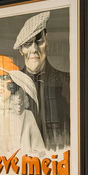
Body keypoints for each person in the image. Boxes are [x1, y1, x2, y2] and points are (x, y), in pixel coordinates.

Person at [12, 11, 71, 153]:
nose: (34, 49)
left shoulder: (67, 81)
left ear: (47, 41)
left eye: (39, 41)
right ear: (21, 50)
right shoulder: (11, 86)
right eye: (27, 43)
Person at [0, 54, 45, 161]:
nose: (1, 84)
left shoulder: (27, 116)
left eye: (5, 78)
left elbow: (42, 155)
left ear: (13, 85)